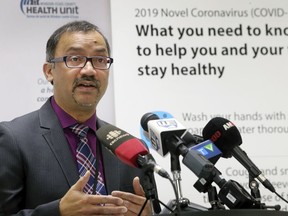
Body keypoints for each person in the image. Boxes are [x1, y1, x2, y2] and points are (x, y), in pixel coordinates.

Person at [0, 20, 154, 216]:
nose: (89, 70)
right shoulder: (13, 139)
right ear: (49, 71)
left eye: (100, 60)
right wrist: (58, 212)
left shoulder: (132, 150)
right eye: (75, 58)